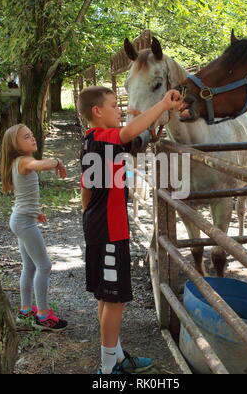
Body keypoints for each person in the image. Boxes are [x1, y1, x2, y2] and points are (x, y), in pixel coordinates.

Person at [78, 86, 185, 374]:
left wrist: (154, 123)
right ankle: (107, 368)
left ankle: (116, 357)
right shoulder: (103, 137)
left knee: (107, 296)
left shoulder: (92, 140)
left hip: (99, 226)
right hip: (109, 230)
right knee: (115, 300)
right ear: (97, 112)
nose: (120, 111)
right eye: (115, 106)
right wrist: (162, 104)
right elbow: (126, 133)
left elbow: (86, 187)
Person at [1, 124, 68, 332]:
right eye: (26, 137)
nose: (32, 139)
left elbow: (24, 196)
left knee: (29, 266)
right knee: (44, 266)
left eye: (32, 135)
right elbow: (42, 165)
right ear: (15, 145)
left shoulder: (17, 162)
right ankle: (43, 315)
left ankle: (25, 310)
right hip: (23, 222)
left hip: (22, 218)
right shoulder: (25, 161)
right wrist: (58, 162)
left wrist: (35, 212)